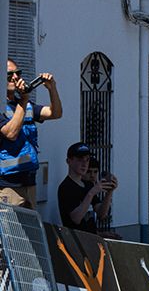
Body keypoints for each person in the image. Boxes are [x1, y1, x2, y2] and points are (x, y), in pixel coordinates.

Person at [1, 59, 62, 208]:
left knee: (31, 229)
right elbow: (11, 133)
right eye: (10, 75)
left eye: (18, 73)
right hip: (8, 186)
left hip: (29, 181)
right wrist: (24, 98)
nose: (15, 78)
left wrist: (52, 88)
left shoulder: (24, 105)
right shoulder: (6, 106)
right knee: (10, 231)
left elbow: (55, 113)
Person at [58, 142, 117, 234]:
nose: (84, 164)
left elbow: (101, 214)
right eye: (80, 159)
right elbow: (76, 219)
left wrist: (109, 192)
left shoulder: (88, 185)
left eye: (87, 160)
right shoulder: (66, 187)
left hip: (91, 238)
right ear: (69, 161)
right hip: (75, 239)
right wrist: (91, 193)